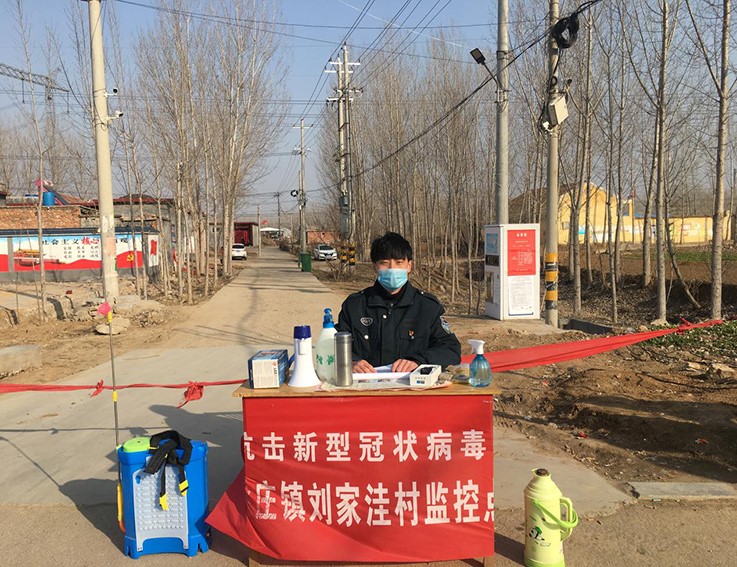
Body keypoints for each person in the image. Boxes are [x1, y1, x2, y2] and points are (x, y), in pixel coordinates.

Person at [336, 232, 461, 373]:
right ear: (375, 266)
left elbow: (451, 350)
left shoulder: (427, 307)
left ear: (409, 266)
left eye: (399, 262)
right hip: (366, 384)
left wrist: (418, 361)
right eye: (384, 263)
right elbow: (334, 346)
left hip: (411, 384)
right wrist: (350, 362)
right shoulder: (355, 306)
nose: (392, 269)